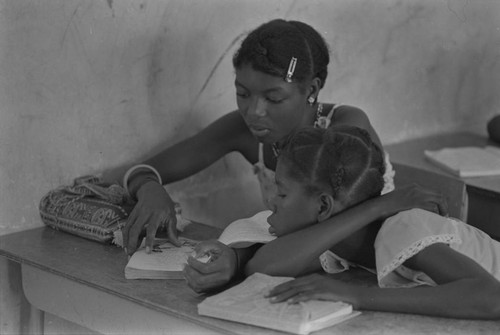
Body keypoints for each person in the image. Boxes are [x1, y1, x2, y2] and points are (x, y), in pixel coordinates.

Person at [120, 18, 442, 290]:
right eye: (242, 94)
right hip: (298, 265)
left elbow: (337, 238)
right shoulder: (246, 130)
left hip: (374, 272)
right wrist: (151, 191)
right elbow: (143, 170)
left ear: (312, 91)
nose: (254, 112)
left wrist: (242, 257)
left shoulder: (344, 132)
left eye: (274, 98)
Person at [260, 125, 500, 320]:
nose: (271, 201)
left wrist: (354, 295)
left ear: (323, 207)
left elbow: (491, 297)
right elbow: (264, 267)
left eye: (281, 194)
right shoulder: (340, 242)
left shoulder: (402, 227)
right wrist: (376, 207)